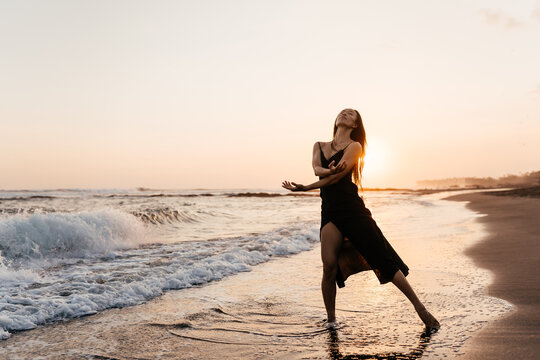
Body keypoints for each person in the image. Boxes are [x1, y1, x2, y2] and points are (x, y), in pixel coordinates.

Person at [282, 108, 440, 331]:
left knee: (383, 259)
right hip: (330, 210)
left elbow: (336, 178)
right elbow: (317, 168)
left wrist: (307, 187)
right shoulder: (319, 145)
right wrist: (327, 171)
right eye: (342, 112)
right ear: (336, 120)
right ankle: (331, 320)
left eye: (350, 114)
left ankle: (420, 309)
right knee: (328, 266)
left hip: (353, 210)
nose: (344, 114)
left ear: (355, 125)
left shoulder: (355, 147)